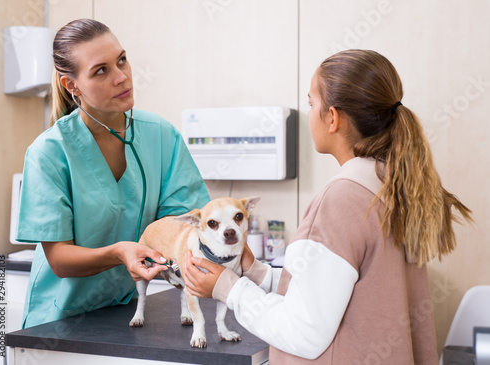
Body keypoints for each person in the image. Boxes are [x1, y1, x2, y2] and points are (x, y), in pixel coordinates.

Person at [183, 49, 473, 364]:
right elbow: (345, 292)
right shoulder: (394, 187)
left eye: (311, 103)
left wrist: (228, 287)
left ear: (332, 117)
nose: (309, 112)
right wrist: (258, 275)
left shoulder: (341, 200)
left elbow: (303, 332)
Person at [16, 19, 210, 329]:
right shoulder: (49, 153)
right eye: (101, 70)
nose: (122, 77)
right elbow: (60, 258)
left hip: (126, 313)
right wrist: (120, 251)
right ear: (71, 85)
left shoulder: (161, 135)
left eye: (121, 60)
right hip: (59, 322)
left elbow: (182, 224)